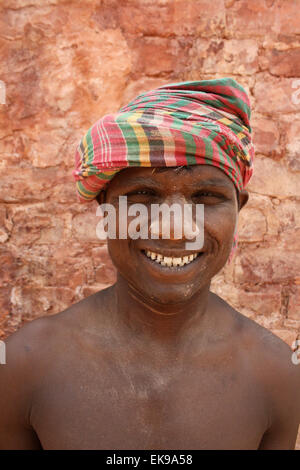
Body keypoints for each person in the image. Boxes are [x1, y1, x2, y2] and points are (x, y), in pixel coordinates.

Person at [0, 79, 299, 450]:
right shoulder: (24, 367)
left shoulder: (275, 375)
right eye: (143, 195)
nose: (175, 230)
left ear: (238, 208)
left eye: (206, 196)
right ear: (105, 207)